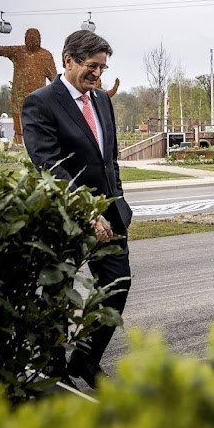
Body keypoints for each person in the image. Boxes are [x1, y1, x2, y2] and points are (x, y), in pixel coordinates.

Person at [21, 30, 132, 388]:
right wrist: (87, 210)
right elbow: (49, 165)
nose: (97, 74)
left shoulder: (101, 100)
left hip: (110, 215)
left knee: (117, 285)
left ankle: (85, 359)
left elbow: (109, 158)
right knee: (57, 295)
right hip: (65, 216)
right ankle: (55, 375)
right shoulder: (40, 103)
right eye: (92, 66)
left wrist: (115, 198)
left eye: (102, 67)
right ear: (68, 60)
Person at [0, 25, 57, 144]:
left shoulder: (45, 56)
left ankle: (34, 144)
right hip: (19, 94)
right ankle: (19, 143)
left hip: (38, 97)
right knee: (19, 121)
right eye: (29, 37)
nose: (32, 40)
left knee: (37, 122)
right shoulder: (18, 52)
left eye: (34, 38)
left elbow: (54, 79)